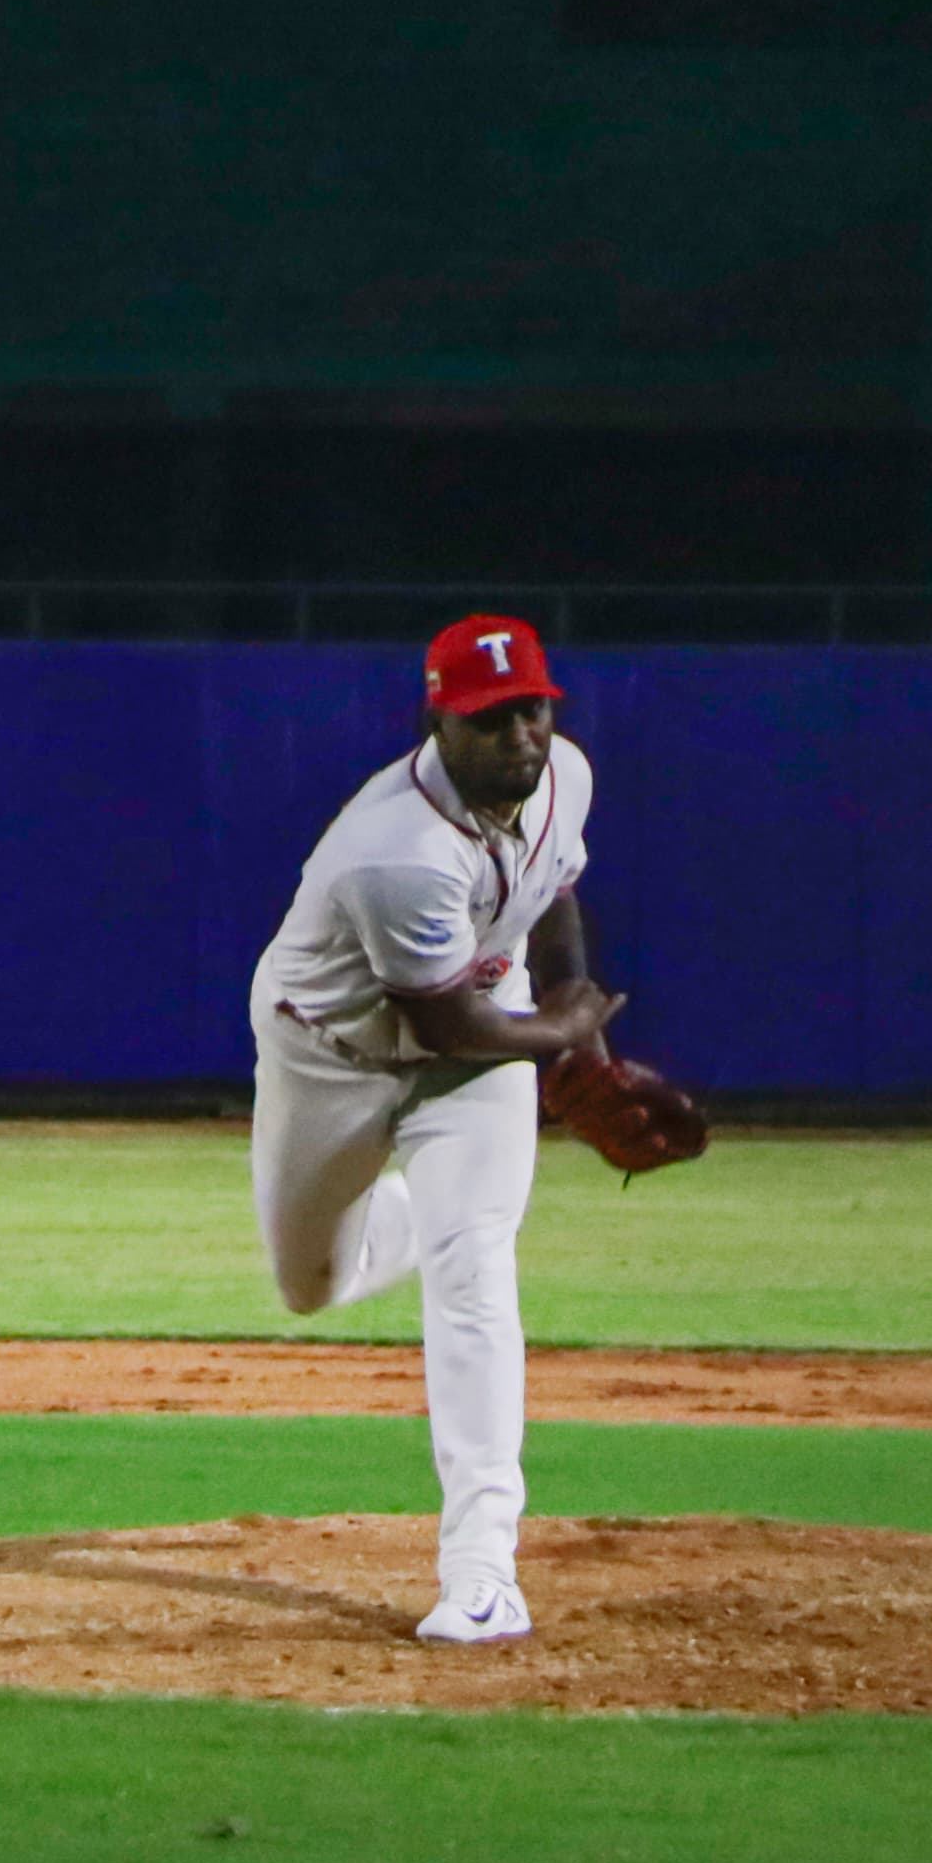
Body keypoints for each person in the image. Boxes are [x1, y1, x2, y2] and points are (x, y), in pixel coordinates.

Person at [246, 615, 625, 1646]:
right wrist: (571, 1034)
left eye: (531, 711)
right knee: (307, 1285)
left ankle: (480, 1570)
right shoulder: (395, 853)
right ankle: (410, 1217)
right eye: (490, 719)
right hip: (332, 1059)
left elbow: (552, 892)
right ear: (436, 723)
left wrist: (572, 1023)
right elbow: (445, 1022)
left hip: (473, 1071)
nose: (518, 738)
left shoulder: (565, 779)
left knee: (475, 1270)